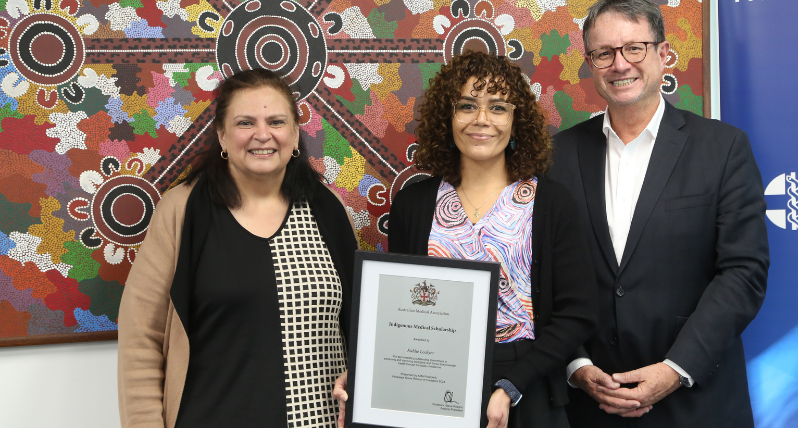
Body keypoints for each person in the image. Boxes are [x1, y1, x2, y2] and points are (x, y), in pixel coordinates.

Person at [333, 50, 599, 428]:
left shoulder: (552, 202)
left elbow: (578, 314)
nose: (482, 120)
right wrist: (367, 377)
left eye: (498, 107)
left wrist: (511, 386)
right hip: (433, 381)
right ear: (449, 116)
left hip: (528, 384)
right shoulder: (414, 203)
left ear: (515, 120)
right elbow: (399, 315)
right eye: (467, 105)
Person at [547, 0, 769, 428]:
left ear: (664, 54)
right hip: (589, 406)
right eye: (604, 53)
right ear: (590, 63)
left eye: (635, 47)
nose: (620, 64)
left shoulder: (723, 149)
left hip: (696, 403)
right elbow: (543, 274)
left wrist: (675, 370)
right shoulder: (556, 156)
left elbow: (744, 272)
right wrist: (576, 365)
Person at [117, 68, 358, 428]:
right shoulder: (184, 211)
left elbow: (359, 329)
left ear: (294, 135)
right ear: (222, 137)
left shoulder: (329, 210)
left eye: (276, 121)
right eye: (245, 123)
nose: (263, 135)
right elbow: (141, 339)